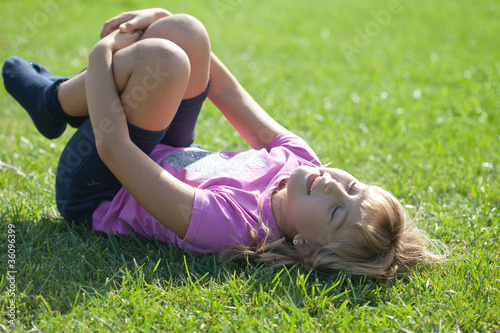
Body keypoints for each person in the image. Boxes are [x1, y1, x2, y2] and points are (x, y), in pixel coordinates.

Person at [2, 8, 442, 277]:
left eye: (334, 210)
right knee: (187, 33)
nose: (333, 186)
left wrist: (101, 55)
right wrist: (164, 23)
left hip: (100, 185)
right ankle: (56, 101)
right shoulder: (300, 163)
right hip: (165, 149)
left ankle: (54, 100)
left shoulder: (235, 227)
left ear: (305, 246)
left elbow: (114, 147)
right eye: (352, 187)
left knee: (161, 61)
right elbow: (228, 93)